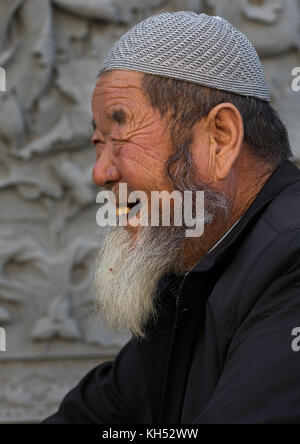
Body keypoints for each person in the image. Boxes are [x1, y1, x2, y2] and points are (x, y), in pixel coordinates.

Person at [43, 12, 300, 424]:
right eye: (98, 141)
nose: (100, 172)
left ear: (219, 139)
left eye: (121, 136)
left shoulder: (291, 258)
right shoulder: (194, 263)